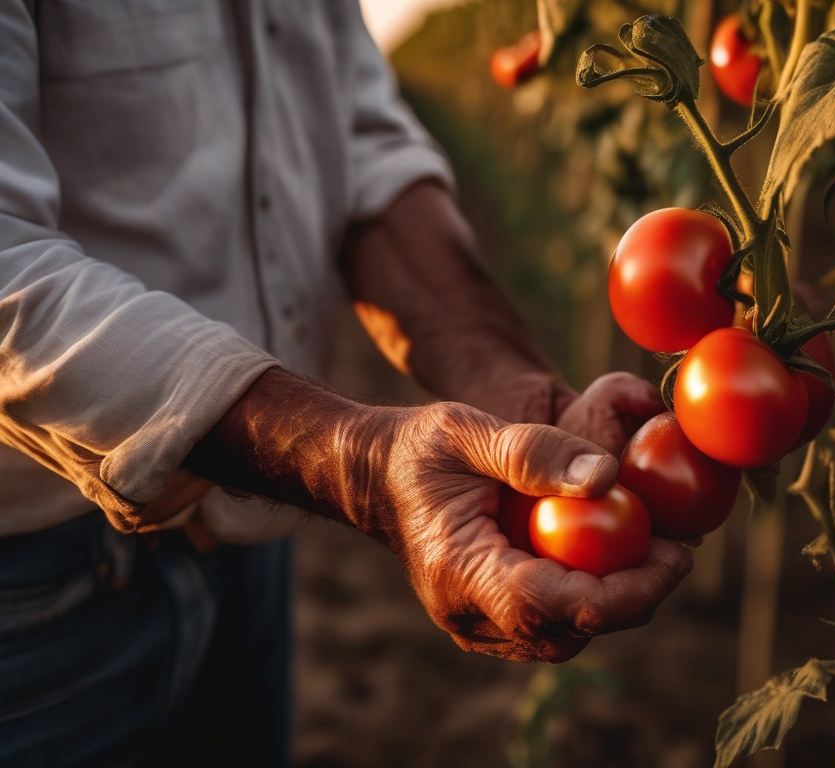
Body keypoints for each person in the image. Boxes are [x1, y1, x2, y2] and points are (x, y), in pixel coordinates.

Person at [0, 2, 693, 766]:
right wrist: (360, 462)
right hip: (36, 591)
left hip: (253, 518)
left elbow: (363, 152)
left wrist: (513, 388)